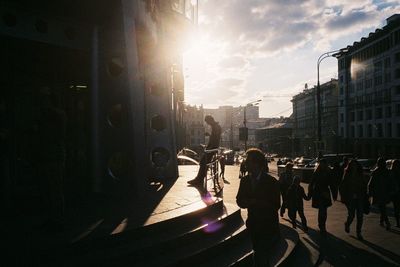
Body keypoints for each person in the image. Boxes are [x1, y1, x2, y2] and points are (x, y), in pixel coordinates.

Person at [236, 148, 280, 267]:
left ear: (256, 163)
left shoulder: (271, 182)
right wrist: (249, 202)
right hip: (253, 225)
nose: (245, 163)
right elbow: (239, 200)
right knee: (259, 254)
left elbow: (276, 204)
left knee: (261, 254)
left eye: (248, 161)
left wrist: (256, 202)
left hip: (267, 226)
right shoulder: (244, 181)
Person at [36, 88, 66, 232]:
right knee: (53, 189)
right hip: (53, 156)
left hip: (52, 156)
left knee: (53, 188)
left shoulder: (52, 116)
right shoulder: (56, 115)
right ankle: (56, 218)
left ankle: (56, 219)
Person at [188, 115, 221, 186]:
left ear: (210, 120)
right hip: (212, 148)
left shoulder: (216, 127)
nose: (207, 124)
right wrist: (209, 135)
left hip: (212, 148)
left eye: (207, 122)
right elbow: (215, 137)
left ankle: (199, 179)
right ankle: (199, 179)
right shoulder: (215, 126)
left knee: (203, 162)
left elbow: (215, 139)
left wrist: (209, 148)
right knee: (204, 162)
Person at [339, 159, 368, 240]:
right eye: (352, 165)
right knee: (351, 215)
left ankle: (358, 233)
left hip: (359, 197)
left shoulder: (360, 174)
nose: (354, 167)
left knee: (360, 216)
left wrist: (365, 193)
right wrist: (343, 197)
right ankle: (347, 224)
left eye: (355, 165)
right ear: (350, 166)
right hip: (350, 198)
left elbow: (364, 185)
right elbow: (342, 186)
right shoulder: (347, 174)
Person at [308, 158, 337, 235]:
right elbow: (311, 183)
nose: (322, 165)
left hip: (324, 193)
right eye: (321, 164)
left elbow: (332, 184)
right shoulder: (317, 172)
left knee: (324, 210)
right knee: (322, 210)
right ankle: (322, 225)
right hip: (318, 193)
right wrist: (310, 193)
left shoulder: (328, 172)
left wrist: (334, 194)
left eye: (323, 164)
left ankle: (322, 224)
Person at [369, 157, 393, 230]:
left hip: (378, 192)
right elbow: (390, 182)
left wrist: (370, 192)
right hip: (385, 192)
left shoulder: (375, 172)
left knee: (382, 207)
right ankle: (382, 221)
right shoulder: (387, 171)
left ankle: (387, 222)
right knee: (383, 207)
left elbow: (370, 183)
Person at [390, 159, 400, 228]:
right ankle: (398, 222)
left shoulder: (391, 172)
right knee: (396, 208)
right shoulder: (391, 173)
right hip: (395, 193)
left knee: (396, 208)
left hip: (395, 192)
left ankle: (398, 223)